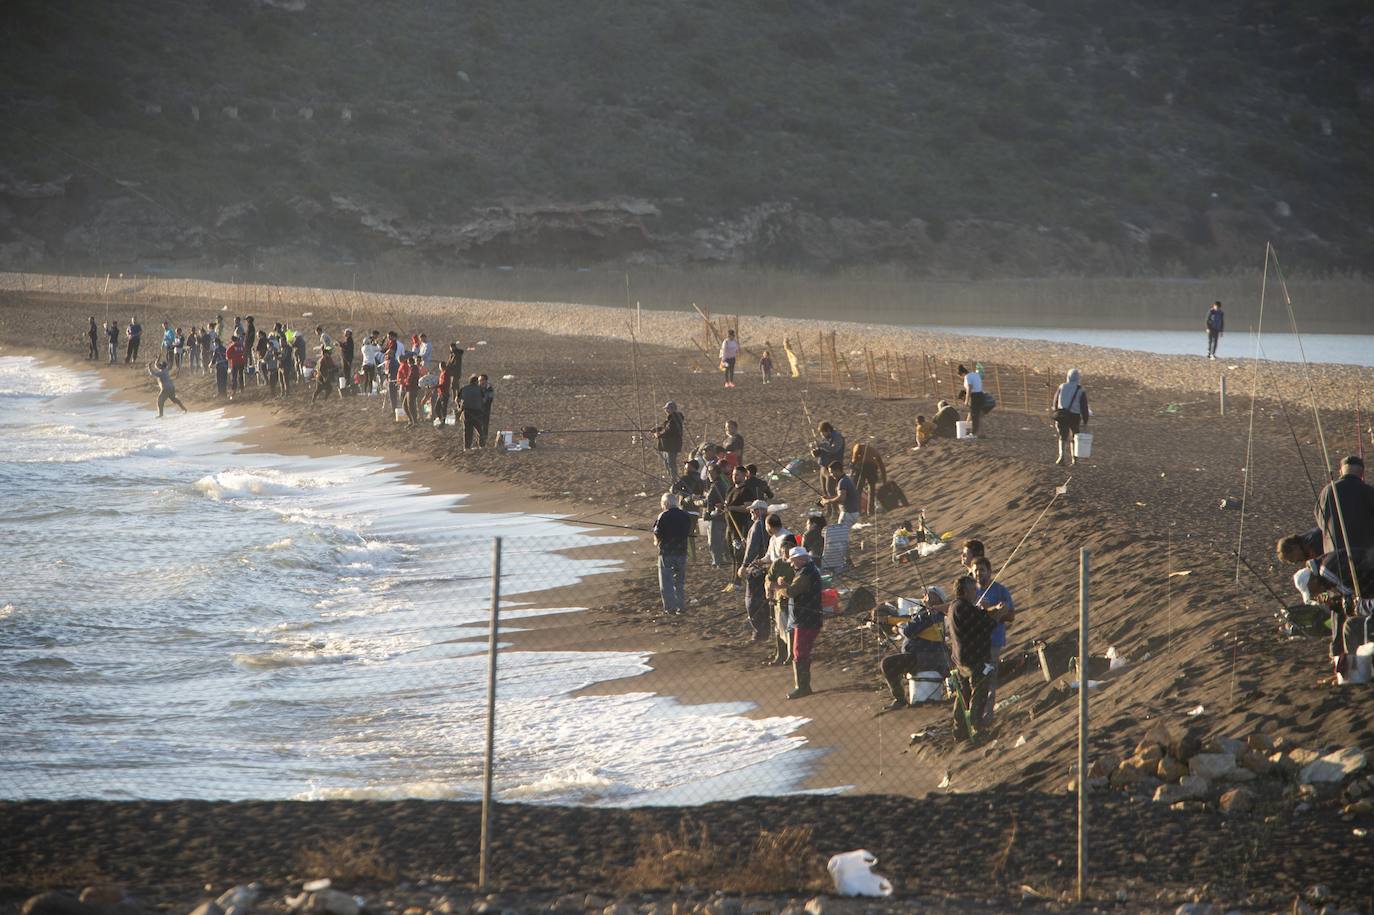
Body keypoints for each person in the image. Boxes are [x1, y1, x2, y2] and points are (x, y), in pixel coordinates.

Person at [879, 585, 950, 710]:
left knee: (887, 664)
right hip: (931, 657)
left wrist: (899, 627)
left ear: (937, 598)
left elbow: (908, 631)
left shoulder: (929, 614)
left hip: (924, 658)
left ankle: (900, 699)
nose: (924, 596)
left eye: (928, 594)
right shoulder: (934, 614)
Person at [947, 574, 993, 742]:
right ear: (965, 591)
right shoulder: (963, 607)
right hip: (972, 660)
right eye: (973, 589)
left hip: (961, 660)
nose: (976, 593)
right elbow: (984, 625)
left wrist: (980, 610)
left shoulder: (954, 607)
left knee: (963, 694)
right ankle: (976, 726)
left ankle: (960, 731)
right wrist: (987, 611)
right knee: (978, 690)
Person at [972, 556, 1015, 723]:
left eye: (981, 570)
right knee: (975, 680)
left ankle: (987, 716)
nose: (978, 573)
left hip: (993, 642)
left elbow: (1010, 615)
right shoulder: (970, 591)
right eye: (975, 570)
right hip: (973, 644)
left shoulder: (1000, 590)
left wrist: (990, 611)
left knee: (990, 679)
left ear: (989, 572)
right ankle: (974, 716)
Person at [1315, 455, 1374, 572]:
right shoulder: (1368, 491)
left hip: (1333, 558)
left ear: (1340, 472)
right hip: (1364, 559)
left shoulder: (1327, 490)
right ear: (1362, 474)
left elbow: (1321, 521)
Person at [784, 545, 824, 699]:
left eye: (793, 561)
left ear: (800, 559)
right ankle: (802, 685)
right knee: (801, 652)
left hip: (806, 619)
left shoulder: (806, 573)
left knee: (799, 653)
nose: (791, 564)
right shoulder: (809, 570)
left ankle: (802, 687)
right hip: (808, 618)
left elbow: (792, 591)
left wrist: (778, 587)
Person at [653, 493, 693, 616]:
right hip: (681, 552)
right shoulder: (685, 515)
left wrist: (657, 541)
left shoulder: (663, 516)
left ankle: (670, 608)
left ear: (665, 504)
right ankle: (681, 607)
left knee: (666, 582)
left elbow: (657, 532)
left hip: (666, 553)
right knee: (679, 581)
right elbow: (688, 531)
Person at [738, 500, 772, 643]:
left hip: (757, 569)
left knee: (752, 601)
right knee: (764, 602)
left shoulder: (758, 525)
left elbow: (752, 549)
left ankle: (759, 633)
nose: (751, 512)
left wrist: (744, 565)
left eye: (753, 510)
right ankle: (764, 631)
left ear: (760, 510)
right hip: (768, 568)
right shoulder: (770, 523)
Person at [1052, 368, 1090, 466]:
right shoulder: (1080, 390)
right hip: (1074, 416)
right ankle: (1075, 459)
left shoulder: (1062, 386)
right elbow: (1084, 407)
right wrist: (1085, 420)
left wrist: (1056, 412)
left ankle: (1061, 457)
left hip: (1062, 414)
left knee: (1062, 437)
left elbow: (1055, 401)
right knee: (1074, 437)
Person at [703, 460, 731, 567]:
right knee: (722, 540)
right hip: (722, 516)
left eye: (711, 472)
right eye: (708, 472)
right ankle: (724, 559)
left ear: (717, 473)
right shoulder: (721, 484)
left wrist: (696, 500)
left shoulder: (716, 485)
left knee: (714, 541)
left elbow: (707, 501)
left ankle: (718, 561)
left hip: (716, 517)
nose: (709, 475)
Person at [849, 442, 887, 513]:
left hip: (862, 467)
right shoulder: (874, 450)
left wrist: (852, 470)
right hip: (872, 469)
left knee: (858, 490)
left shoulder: (858, 446)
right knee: (871, 490)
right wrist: (884, 479)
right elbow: (882, 466)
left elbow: (854, 459)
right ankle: (870, 510)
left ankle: (858, 510)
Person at [653, 401, 685, 484]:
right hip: (668, 445)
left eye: (667, 409)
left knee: (671, 463)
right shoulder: (671, 418)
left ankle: (674, 480)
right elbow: (666, 428)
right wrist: (658, 429)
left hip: (671, 445)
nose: (665, 410)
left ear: (672, 409)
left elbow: (670, 431)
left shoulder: (674, 419)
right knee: (667, 463)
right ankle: (672, 479)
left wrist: (659, 435)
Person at [822, 461, 861, 525]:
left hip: (848, 514)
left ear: (837, 470)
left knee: (841, 534)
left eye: (831, 472)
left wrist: (828, 501)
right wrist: (829, 497)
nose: (831, 475)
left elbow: (841, 498)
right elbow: (844, 496)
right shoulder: (846, 479)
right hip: (853, 512)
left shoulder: (842, 482)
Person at [958, 364, 988, 436]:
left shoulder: (967, 377)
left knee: (975, 416)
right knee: (980, 415)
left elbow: (969, 388)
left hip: (975, 396)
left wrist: (966, 400)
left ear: (962, 374)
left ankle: (975, 432)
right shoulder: (975, 374)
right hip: (981, 395)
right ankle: (982, 433)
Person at [458, 374, 486, 448]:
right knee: (480, 430)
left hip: (466, 413)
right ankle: (481, 446)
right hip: (477, 412)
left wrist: (459, 407)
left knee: (467, 432)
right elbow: (483, 400)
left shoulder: (464, 388)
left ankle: (467, 447)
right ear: (476, 382)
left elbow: (457, 399)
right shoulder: (479, 389)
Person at [478, 373, 495, 444]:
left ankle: (484, 439)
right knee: (478, 425)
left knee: (484, 425)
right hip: (478, 409)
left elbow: (489, 399)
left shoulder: (489, 388)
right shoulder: (477, 387)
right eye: (479, 380)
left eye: (482, 380)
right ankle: (479, 439)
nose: (480, 382)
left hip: (485, 410)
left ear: (485, 380)